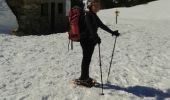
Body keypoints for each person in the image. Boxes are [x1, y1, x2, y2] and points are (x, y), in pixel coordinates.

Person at [75, 0, 120, 87]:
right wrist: (96, 37)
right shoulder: (88, 14)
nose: (99, 7)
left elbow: (101, 25)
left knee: (87, 59)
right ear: (91, 6)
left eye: (99, 5)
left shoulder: (93, 15)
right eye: (96, 6)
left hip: (91, 40)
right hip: (86, 40)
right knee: (86, 59)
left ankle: (85, 77)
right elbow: (90, 27)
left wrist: (112, 32)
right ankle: (83, 78)